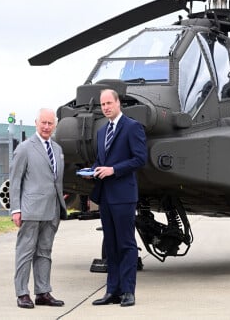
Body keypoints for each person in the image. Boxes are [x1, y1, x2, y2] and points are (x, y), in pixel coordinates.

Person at [90, 89, 147, 307]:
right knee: (111, 246)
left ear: (118, 103)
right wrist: (92, 170)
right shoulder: (102, 132)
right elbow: (100, 160)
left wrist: (114, 169)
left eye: (108, 103)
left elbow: (140, 159)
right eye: (102, 105)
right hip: (105, 196)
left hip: (123, 196)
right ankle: (112, 291)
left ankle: (128, 291)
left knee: (126, 244)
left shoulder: (132, 127)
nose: (105, 107)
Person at [9, 108, 67, 309]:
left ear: (55, 125)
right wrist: (15, 209)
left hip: (52, 210)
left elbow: (55, 180)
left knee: (44, 252)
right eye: (43, 122)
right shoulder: (25, 148)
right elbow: (15, 181)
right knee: (25, 251)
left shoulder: (58, 150)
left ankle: (43, 292)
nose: (46, 127)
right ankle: (22, 293)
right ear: (36, 123)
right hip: (30, 210)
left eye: (50, 123)